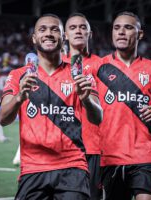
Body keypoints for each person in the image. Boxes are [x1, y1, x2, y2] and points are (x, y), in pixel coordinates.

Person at [0, 14, 103, 200]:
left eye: (55, 29)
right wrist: (19, 98)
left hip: (73, 167)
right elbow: (3, 119)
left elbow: (97, 118)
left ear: (63, 37)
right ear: (34, 38)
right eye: (43, 29)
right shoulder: (18, 75)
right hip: (33, 168)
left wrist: (86, 99)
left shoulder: (80, 74)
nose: (48, 33)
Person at [93, 12, 151, 200]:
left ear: (140, 34)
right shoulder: (99, 67)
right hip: (110, 156)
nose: (121, 32)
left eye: (128, 27)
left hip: (145, 155)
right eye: (116, 27)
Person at [62, 12, 102, 200]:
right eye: (72, 27)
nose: (78, 30)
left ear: (90, 33)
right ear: (64, 35)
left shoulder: (103, 65)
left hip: (94, 147)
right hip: (61, 149)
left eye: (82, 27)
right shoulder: (54, 65)